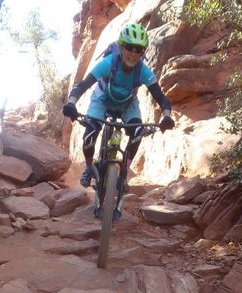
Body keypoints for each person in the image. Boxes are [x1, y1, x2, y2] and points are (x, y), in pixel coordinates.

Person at [62, 23, 174, 189]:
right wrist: (71, 103)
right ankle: (89, 167)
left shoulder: (143, 71)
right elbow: (83, 85)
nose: (133, 54)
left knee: (137, 133)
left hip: (127, 104)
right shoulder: (108, 63)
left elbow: (161, 98)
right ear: (121, 47)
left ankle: (123, 172)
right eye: (130, 47)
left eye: (138, 50)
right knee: (90, 132)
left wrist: (166, 116)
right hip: (102, 100)